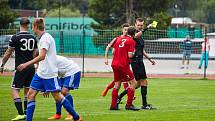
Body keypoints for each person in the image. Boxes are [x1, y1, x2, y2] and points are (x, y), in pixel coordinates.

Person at [16, 18, 82, 121]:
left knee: (58, 97)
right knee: (30, 94)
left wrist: (26, 64)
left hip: (49, 74)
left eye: (32, 26)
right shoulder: (42, 38)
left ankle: (76, 117)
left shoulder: (45, 38)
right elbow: (42, 60)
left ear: (36, 27)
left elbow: (42, 56)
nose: (31, 28)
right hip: (41, 74)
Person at [0, 17, 37, 121]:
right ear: (28, 25)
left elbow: (8, 52)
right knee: (27, 91)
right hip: (31, 67)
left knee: (15, 89)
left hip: (20, 67)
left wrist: (2, 64)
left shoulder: (15, 37)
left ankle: (21, 113)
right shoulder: (33, 37)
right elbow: (35, 53)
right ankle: (26, 113)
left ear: (19, 25)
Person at [117, 18, 156, 110]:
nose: (140, 26)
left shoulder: (140, 35)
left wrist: (149, 59)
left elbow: (141, 50)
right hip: (135, 61)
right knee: (144, 81)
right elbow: (137, 36)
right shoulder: (133, 35)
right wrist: (147, 28)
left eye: (141, 25)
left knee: (137, 84)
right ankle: (144, 104)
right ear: (135, 25)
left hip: (139, 61)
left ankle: (119, 97)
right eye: (138, 25)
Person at [110, 26, 139, 111]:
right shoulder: (131, 41)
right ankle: (129, 105)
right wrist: (134, 52)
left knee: (117, 84)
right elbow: (130, 55)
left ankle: (113, 105)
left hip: (114, 64)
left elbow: (114, 51)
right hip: (123, 65)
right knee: (134, 83)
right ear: (133, 34)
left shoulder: (119, 39)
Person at [48, 55, 81, 120]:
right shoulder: (47, 60)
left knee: (64, 91)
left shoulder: (51, 60)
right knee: (57, 92)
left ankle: (71, 114)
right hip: (63, 74)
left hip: (72, 71)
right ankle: (58, 114)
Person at [101, 23, 130, 97]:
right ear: (122, 30)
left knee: (119, 80)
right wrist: (106, 58)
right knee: (125, 79)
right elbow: (109, 48)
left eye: (128, 30)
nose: (126, 31)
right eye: (125, 30)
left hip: (125, 62)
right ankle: (128, 96)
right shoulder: (117, 39)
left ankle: (108, 88)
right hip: (119, 63)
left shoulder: (129, 39)